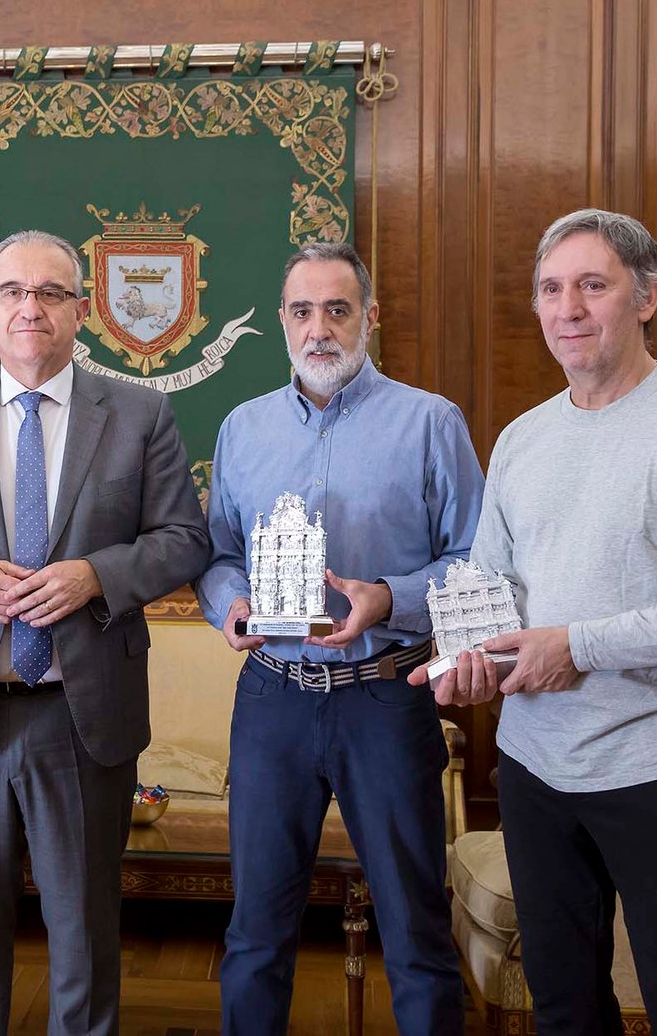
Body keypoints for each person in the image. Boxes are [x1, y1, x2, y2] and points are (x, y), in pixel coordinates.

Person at [416, 208, 657, 1034]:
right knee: (565, 1008)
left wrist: (577, 646)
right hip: (537, 768)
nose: (567, 308)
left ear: (646, 296)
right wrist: (472, 655)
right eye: (550, 289)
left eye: (592, 284)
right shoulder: (521, 438)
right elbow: (494, 582)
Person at [0, 230, 209, 1034]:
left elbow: (184, 539)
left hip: (82, 714)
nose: (31, 307)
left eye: (51, 293)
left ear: (80, 312)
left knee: (84, 933)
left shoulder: (138, 412)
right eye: (14, 292)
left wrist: (98, 576)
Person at [197, 242, 480, 1034]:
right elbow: (217, 552)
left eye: (337, 309)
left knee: (418, 931)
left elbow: (477, 560)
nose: (319, 328)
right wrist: (231, 604)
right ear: (282, 321)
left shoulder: (431, 422)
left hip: (386, 698)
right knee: (255, 932)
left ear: (369, 317)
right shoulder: (243, 428)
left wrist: (390, 596)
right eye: (301, 311)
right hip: (273, 701)